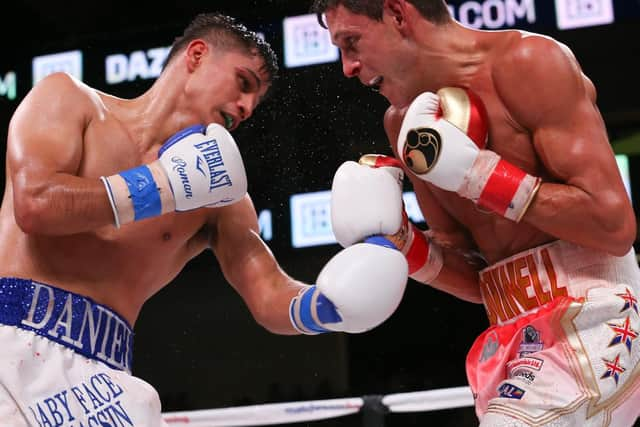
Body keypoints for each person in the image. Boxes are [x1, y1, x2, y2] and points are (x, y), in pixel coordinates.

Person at [0, 12, 409, 426]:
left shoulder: (220, 201)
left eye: (254, 101)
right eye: (243, 83)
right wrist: (161, 185)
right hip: (8, 343)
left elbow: (266, 291)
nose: (247, 107)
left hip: (104, 381)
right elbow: (35, 204)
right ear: (196, 55)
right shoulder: (70, 101)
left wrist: (324, 307)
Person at [312, 0, 640, 425]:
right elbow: (478, 277)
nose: (348, 66)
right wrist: (406, 244)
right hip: (516, 339)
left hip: (598, 316)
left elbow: (614, 227)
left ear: (397, 14)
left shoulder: (527, 63)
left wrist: (482, 177)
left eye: (351, 42)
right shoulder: (405, 124)